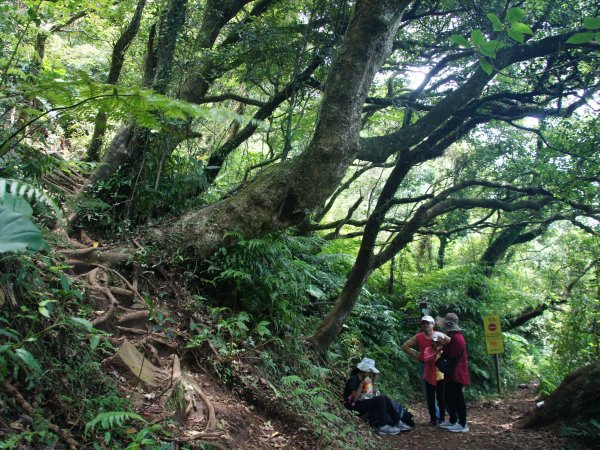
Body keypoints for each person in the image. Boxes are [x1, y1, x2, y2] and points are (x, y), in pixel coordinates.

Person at [343, 357, 411, 435]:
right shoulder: (354, 379)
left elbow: (369, 395)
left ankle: (397, 421)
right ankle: (383, 426)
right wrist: (362, 384)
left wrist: (373, 382)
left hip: (361, 402)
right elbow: (354, 398)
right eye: (369, 371)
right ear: (362, 370)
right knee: (381, 399)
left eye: (371, 372)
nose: (370, 374)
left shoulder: (364, 378)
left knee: (384, 398)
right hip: (353, 405)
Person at [402, 315, 450, 422]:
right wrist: (417, 356)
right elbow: (405, 346)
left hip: (439, 367)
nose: (425, 325)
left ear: (433, 324)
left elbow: (451, 342)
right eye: (423, 323)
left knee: (441, 393)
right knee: (428, 393)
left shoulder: (439, 335)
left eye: (428, 323)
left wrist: (446, 355)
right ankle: (435, 417)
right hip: (425, 365)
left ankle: (441, 418)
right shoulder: (419, 336)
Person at [436, 313, 470, 433]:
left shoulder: (456, 338)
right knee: (448, 397)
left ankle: (462, 423)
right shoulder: (455, 336)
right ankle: (453, 420)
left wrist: (443, 350)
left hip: (457, 372)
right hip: (453, 373)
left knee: (457, 398)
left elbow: (453, 355)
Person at [422, 332, 448, 426]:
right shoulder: (428, 349)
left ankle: (442, 418)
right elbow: (427, 359)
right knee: (431, 399)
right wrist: (436, 352)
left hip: (440, 377)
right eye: (435, 342)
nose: (436, 344)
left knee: (441, 398)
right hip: (429, 377)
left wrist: (441, 351)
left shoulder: (443, 351)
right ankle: (433, 419)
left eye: (438, 342)